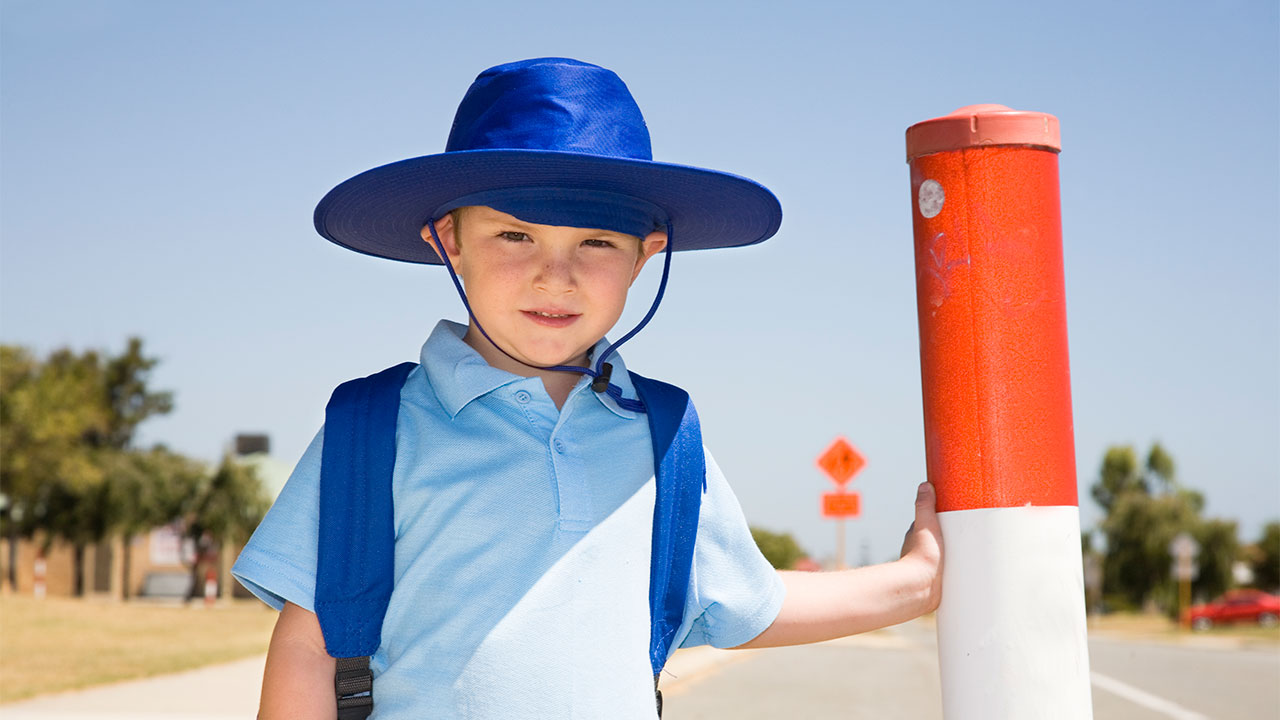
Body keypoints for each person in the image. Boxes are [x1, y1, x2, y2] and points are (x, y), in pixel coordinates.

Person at [232, 57, 942, 720]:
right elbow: (308, 644)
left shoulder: (665, 433)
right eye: (515, 236)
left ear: (646, 254)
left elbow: (748, 602)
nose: (555, 275)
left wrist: (916, 582)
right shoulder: (372, 427)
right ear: (448, 240)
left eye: (597, 242)